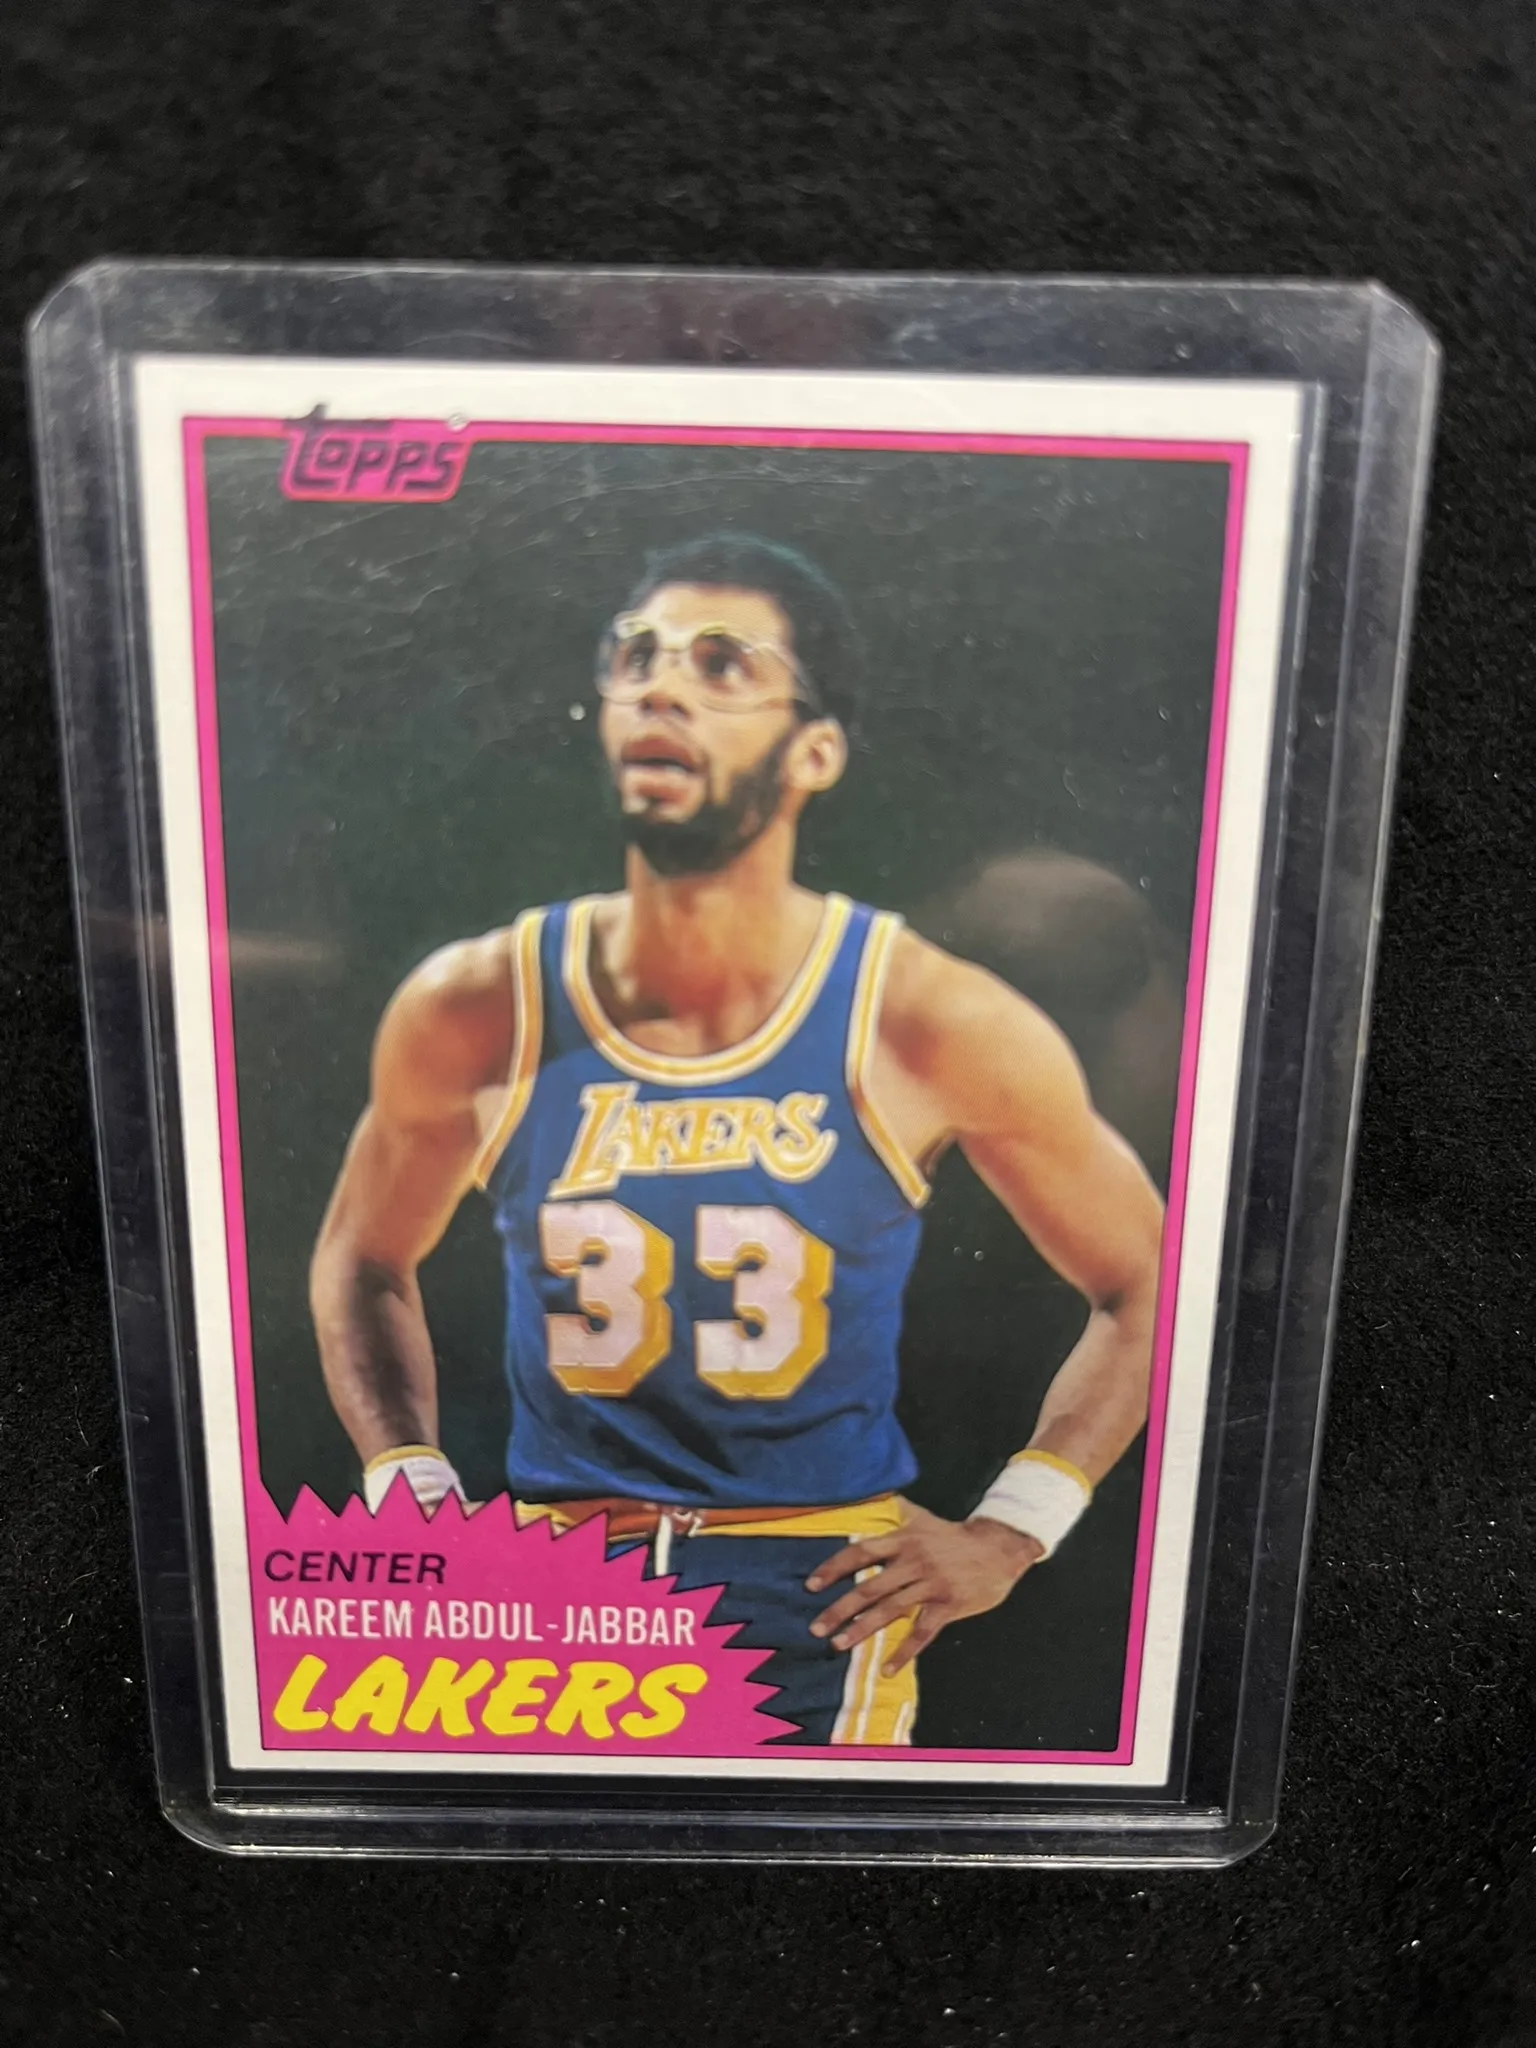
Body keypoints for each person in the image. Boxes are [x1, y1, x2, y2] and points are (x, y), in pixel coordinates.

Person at [310, 534, 1165, 1746]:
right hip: (556, 1585)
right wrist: (411, 1479)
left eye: (722, 664)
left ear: (814, 751)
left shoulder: (924, 1014)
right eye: (637, 657)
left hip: (820, 1586)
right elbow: (361, 1254)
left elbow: (1150, 1280)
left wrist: (1014, 1526)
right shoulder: (478, 1001)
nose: (661, 684)